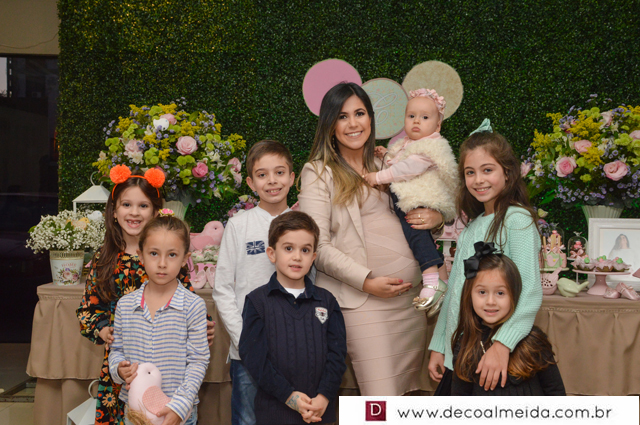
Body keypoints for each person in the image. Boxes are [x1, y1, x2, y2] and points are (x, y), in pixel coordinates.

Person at [299, 82, 445, 396]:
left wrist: (436, 218)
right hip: (363, 302)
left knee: (406, 400)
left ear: (370, 118)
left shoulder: (387, 163)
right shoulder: (318, 172)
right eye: (342, 116)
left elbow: (419, 206)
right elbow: (316, 247)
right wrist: (367, 281)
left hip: (411, 302)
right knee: (381, 400)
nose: (353, 123)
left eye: (360, 113)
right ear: (329, 124)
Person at [76, 165, 213, 425]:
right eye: (127, 204)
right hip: (126, 368)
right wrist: (104, 330)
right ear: (114, 210)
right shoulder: (104, 258)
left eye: (143, 206)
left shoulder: (169, 259)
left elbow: (188, 302)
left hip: (171, 374)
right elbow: (88, 309)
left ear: (155, 211)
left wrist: (204, 326)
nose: (134, 212)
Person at [428, 121, 543, 395]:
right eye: (470, 172)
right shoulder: (472, 227)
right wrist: (439, 345)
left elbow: (529, 291)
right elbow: (455, 291)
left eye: (487, 170)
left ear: (508, 173)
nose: (478, 180)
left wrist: (502, 345)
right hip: (464, 351)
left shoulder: (518, 220)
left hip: (495, 352)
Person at [213, 140, 295, 425]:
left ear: (292, 178)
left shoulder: (303, 223)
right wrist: (244, 340)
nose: (272, 181)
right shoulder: (239, 225)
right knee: (247, 419)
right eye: (262, 174)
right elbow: (222, 289)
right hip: (247, 352)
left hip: (292, 348)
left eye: (279, 172)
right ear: (250, 182)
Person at [239, 211, 347, 424]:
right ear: (272, 254)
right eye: (288, 248)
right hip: (274, 413)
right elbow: (254, 358)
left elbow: (337, 355)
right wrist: (289, 396)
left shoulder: (327, 301)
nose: (297, 257)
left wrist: (324, 397)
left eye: (305, 250)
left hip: (319, 412)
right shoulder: (257, 301)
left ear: (313, 257)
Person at [109, 213, 210, 424]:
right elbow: (116, 351)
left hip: (177, 412)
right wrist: (119, 369)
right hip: (136, 412)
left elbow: (198, 360)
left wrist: (180, 406)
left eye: (172, 255)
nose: (162, 263)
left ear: (185, 258)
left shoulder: (193, 306)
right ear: (141, 255)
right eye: (154, 253)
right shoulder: (125, 305)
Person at [364, 88, 458, 313]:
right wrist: (386, 155)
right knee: (421, 238)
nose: (417, 121)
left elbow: (407, 168)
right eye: (411, 116)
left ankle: (432, 281)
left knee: (416, 235)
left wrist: (378, 177)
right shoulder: (408, 143)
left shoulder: (431, 145)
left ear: (437, 126)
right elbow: (401, 161)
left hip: (421, 197)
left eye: (425, 117)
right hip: (412, 198)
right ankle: (441, 279)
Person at [451, 243, 565, 395]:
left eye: (500, 293)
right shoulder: (465, 344)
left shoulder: (533, 340)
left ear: (514, 295)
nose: (490, 301)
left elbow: (555, 391)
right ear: (469, 294)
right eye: (482, 292)